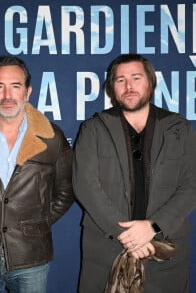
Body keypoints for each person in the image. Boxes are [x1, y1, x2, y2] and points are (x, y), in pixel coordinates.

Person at [72, 53, 196, 292]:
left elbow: (192, 185)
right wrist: (128, 235)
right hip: (106, 253)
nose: (128, 86)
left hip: (164, 251)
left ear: (150, 82)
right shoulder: (93, 129)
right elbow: (85, 186)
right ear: (112, 88)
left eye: (136, 78)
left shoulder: (179, 128)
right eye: (120, 80)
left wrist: (153, 227)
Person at [0, 55, 74, 293]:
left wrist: (37, 225)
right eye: (0, 86)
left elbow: (65, 191)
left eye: (15, 86)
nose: (7, 95)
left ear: (28, 92)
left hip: (31, 257)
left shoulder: (52, 137)